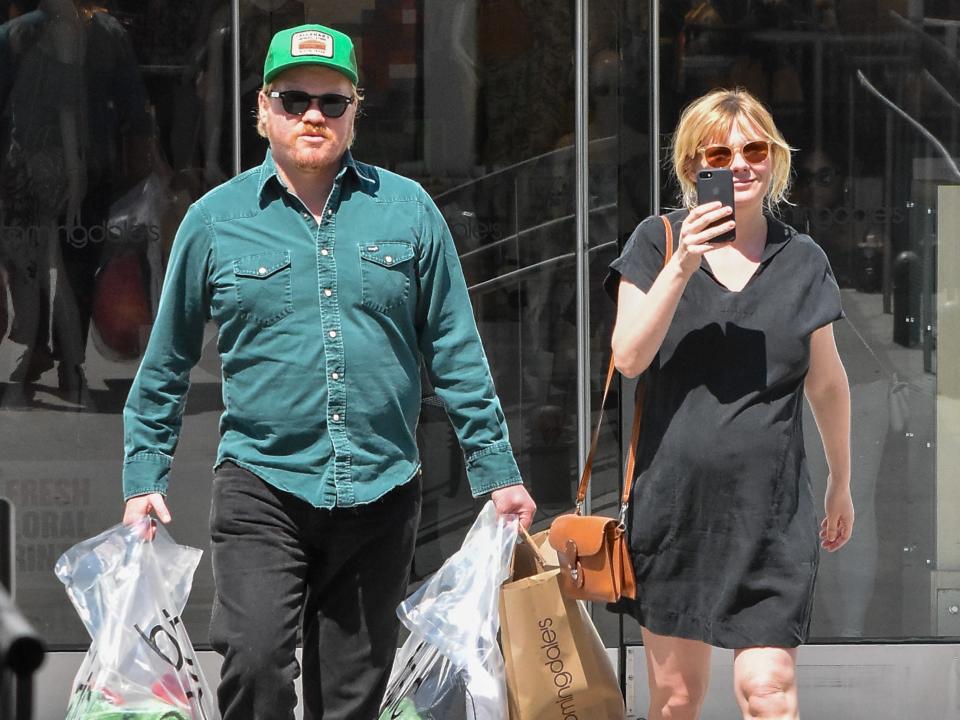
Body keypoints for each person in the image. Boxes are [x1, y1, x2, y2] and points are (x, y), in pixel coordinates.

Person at [120, 23, 535, 720]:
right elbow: (165, 363)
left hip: (382, 490)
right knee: (254, 665)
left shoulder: (408, 212)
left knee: (352, 698)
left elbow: (457, 351)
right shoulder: (214, 222)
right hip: (263, 487)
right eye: (293, 99)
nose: (313, 115)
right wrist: (143, 478)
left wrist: (499, 474)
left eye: (331, 101)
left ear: (355, 110)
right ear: (262, 109)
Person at [605, 88, 853, 720]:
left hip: (771, 516)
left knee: (769, 692)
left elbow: (827, 383)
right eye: (719, 151)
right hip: (677, 513)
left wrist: (841, 485)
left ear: (774, 161)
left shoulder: (802, 260)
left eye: (755, 149)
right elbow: (629, 358)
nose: (739, 163)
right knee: (675, 700)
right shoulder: (656, 243)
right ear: (693, 167)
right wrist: (684, 263)